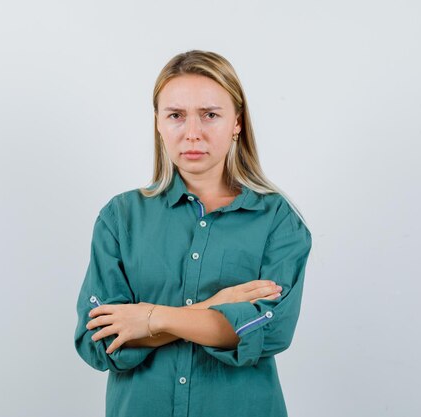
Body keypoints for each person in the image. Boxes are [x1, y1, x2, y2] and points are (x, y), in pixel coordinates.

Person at [73, 50, 313, 417]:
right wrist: (213, 310)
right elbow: (99, 343)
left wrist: (151, 318)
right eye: (175, 116)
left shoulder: (278, 221)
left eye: (210, 115)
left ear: (237, 122)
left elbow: (268, 329)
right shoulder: (120, 217)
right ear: (158, 123)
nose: (192, 133)